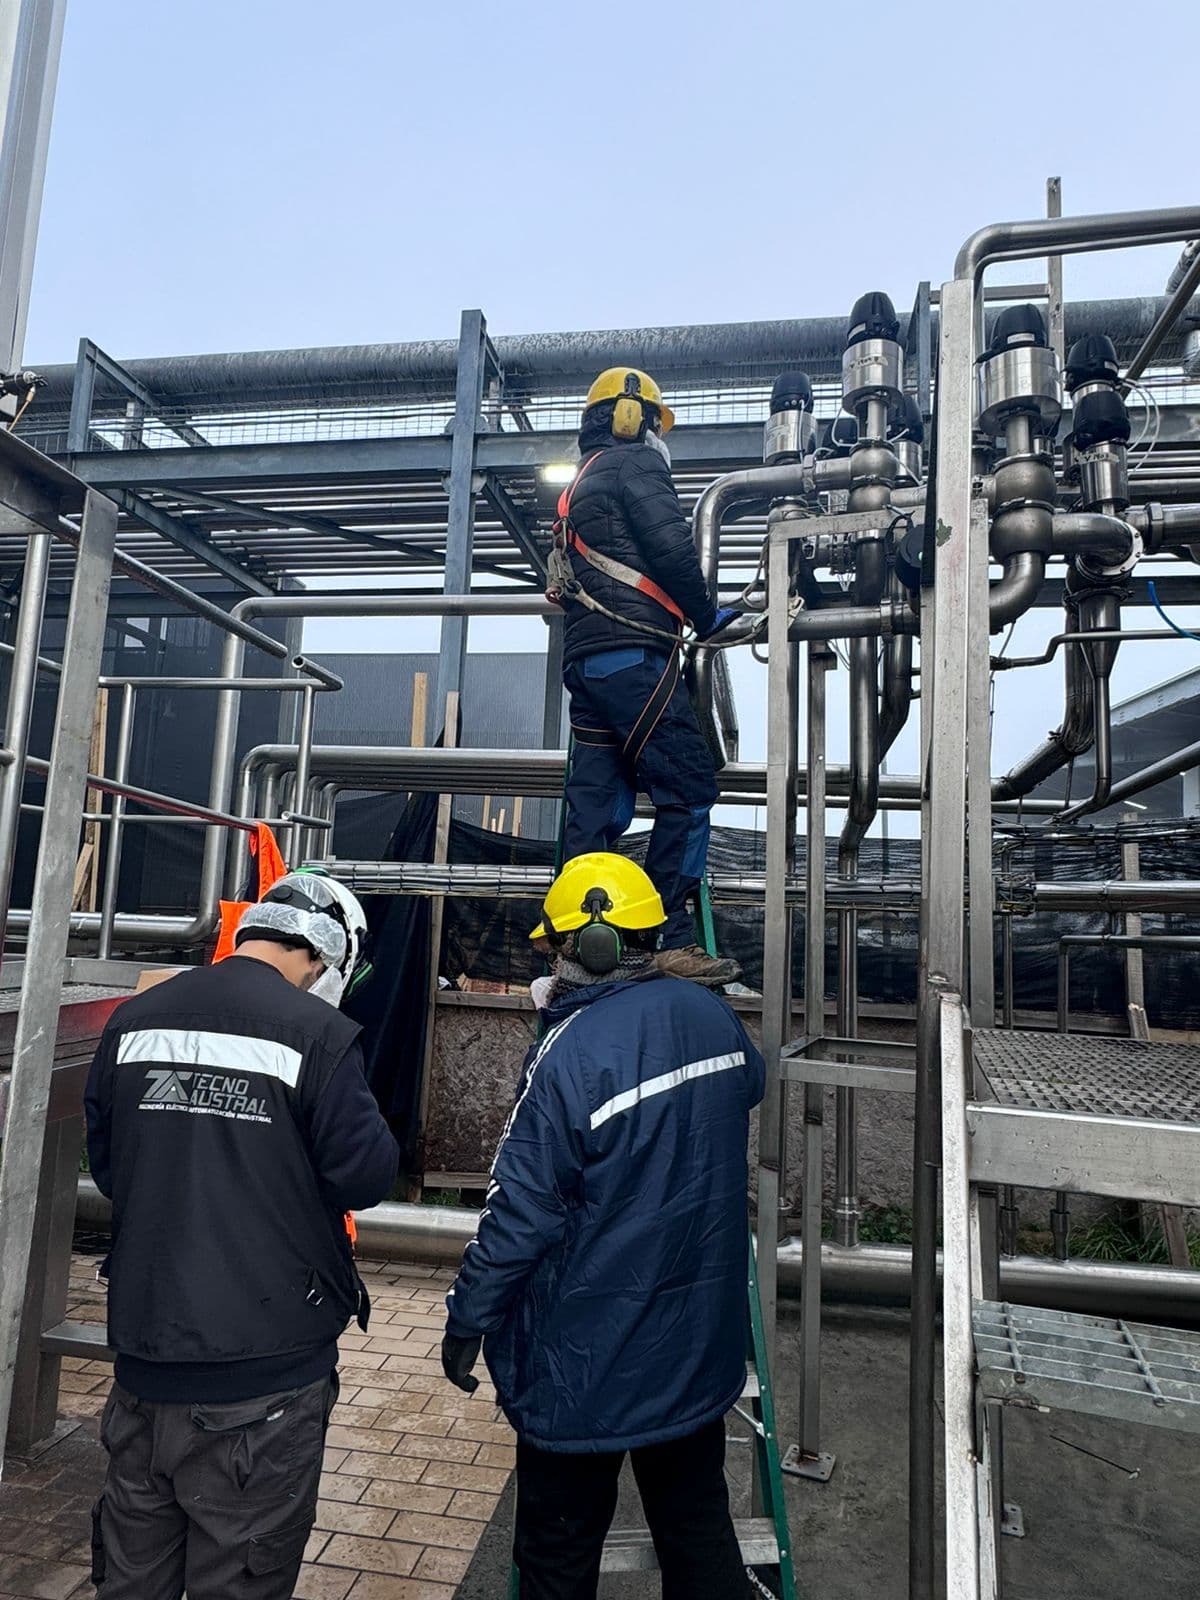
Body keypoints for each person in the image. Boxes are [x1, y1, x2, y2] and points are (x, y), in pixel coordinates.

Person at [442, 853, 765, 1600]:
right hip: (691, 1347)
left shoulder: (571, 1053)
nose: (553, 963)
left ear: (590, 945)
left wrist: (468, 1320)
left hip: (584, 1364)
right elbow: (748, 1084)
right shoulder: (713, 1014)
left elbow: (520, 1212)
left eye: (557, 947)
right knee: (696, 1533)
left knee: (557, 1559)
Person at [83, 872, 398, 1600]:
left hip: (143, 1364)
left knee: (132, 1580)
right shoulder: (318, 1033)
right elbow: (364, 1178)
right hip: (264, 1383)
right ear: (325, 959)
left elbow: (108, 1166)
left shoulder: (136, 1018)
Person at [550, 365, 742, 986]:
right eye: (657, 423)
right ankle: (666, 936)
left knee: (598, 807)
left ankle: (580, 940)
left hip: (588, 668)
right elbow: (671, 552)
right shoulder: (637, 466)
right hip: (635, 658)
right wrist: (708, 615)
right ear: (631, 418)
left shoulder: (577, 486)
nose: (662, 435)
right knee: (687, 789)